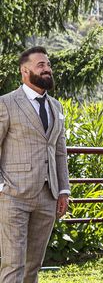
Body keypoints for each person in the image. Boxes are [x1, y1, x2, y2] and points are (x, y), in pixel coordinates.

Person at [0, 46, 70, 282]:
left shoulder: (56, 107)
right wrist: (1, 186)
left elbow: (60, 151)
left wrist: (63, 190)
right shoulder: (7, 104)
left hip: (47, 197)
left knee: (33, 266)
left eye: (48, 65)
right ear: (24, 70)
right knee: (13, 264)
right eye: (41, 65)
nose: (47, 69)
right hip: (13, 195)